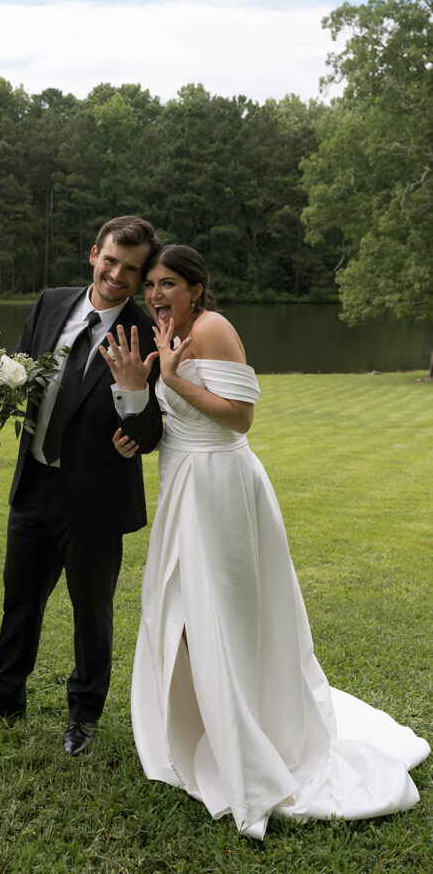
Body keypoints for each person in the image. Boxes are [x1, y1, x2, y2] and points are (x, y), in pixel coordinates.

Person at [105, 244, 429, 839]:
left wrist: (172, 376)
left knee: (222, 608)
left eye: (168, 282)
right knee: (180, 606)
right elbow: (166, 418)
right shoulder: (163, 328)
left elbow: (239, 416)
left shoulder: (213, 328)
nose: (155, 292)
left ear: (196, 288)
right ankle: (197, 722)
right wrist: (139, 401)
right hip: (182, 482)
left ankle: (248, 730)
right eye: (150, 282)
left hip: (221, 486)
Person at [0, 216, 164, 757]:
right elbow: (15, 371)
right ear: (94, 254)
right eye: (111, 261)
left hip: (97, 497)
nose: (117, 275)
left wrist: (133, 398)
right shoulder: (50, 303)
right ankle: (3, 696)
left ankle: (84, 717)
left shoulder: (147, 332)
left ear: (140, 277)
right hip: (34, 479)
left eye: (132, 270)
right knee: (19, 598)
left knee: (92, 613)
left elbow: (152, 432)